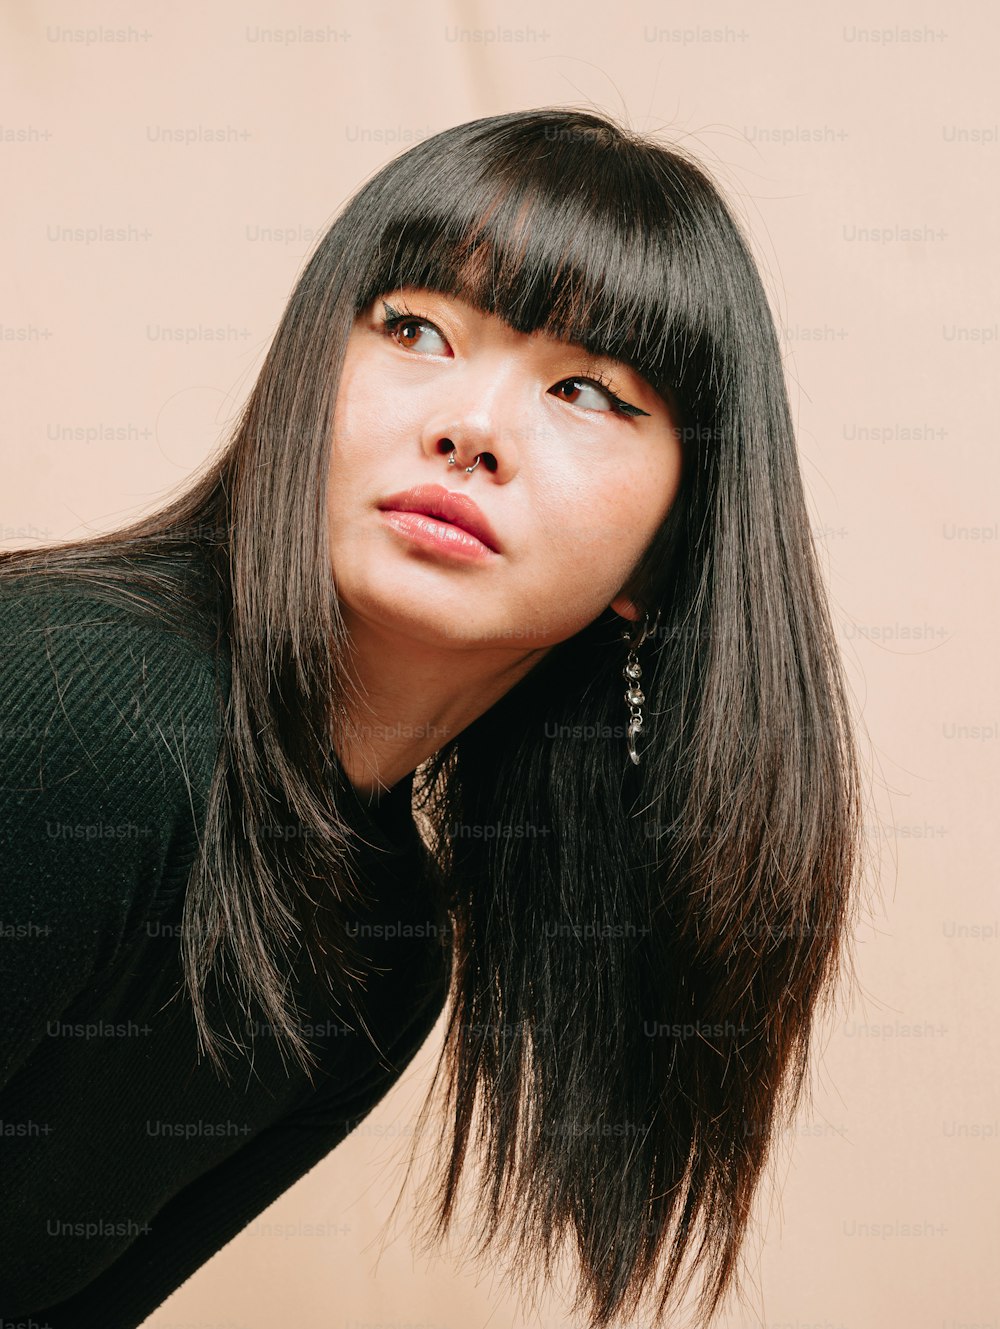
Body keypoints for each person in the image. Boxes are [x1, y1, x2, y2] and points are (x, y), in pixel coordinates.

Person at [0, 106, 865, 1328]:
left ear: (662, 559)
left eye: (587, 389)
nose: (472, 429)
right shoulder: (70, 716)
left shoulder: (385, 948)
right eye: (415, 328)